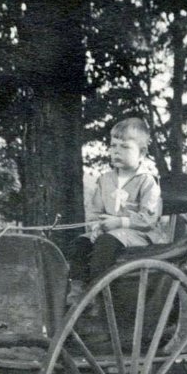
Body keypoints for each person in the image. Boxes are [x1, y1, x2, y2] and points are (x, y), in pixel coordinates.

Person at [67, 117, 165, 308]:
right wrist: (96, 226)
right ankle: (77, 290)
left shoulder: (147, 181)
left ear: (142, 152)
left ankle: (97, 294)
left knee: (106, 244)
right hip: (110, 232)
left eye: (125, 147)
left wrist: (120, 222)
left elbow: (149, 219)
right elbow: (95, 211)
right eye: (113, 146)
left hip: (139, 234)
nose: (116, 151)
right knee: (81, 243)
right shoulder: (105, 180)